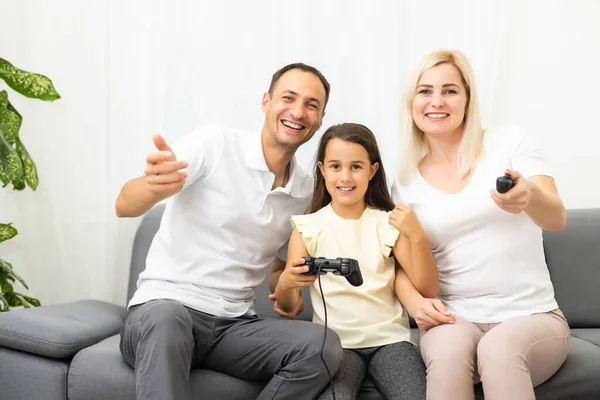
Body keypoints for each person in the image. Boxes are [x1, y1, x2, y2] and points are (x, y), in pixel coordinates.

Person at [114, 63, 343, 400]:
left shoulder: (305, 193)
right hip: (164, 311)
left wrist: (289, 286)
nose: (298, 111)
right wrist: (154, 186)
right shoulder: (215, 144)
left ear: (320, 118)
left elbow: (279, 280)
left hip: (234, 327)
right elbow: (124, 205)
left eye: (311, 104)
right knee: (167, 318)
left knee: (323, 345)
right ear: (266, 101)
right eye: (288, 98)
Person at [391, 49, 570, 400]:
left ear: (467, 98)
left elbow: (557, 217)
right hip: (453, 318)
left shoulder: (508, 142)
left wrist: (529, 196)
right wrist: (414, 303)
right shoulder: (403, 180)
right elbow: (395, 262)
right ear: (411, 101)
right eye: (425, 91)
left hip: (532, 315)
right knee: (446, 353)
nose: (436, 101)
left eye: (450, 90)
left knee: (499, 349)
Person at [273, 123, 441, 400]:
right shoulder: (306, 228)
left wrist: (417, 236)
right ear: (322, 169)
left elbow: (427, 288)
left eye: (356, 167)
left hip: (390, 341)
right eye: (336, 166)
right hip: (336, 344)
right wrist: (287, 282)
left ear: (372, 170)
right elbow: (287, 306)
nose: (345, 177)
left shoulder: (387, 223)